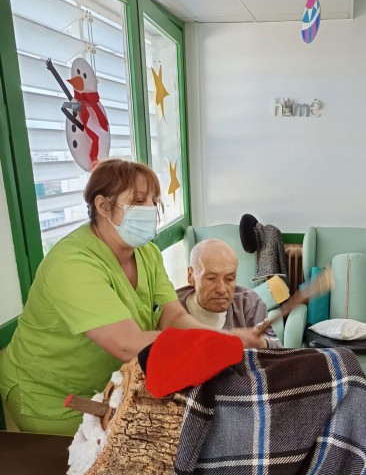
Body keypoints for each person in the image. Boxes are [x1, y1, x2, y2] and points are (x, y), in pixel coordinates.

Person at [0, 160, 265, 435]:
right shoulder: (72, 264)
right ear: (103, 206)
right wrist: (216, 343)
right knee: (93, 456)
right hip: (51, 395)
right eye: (139, 201)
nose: (150, 209)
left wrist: (221, 338)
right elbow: (127, 344)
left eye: (154, 200)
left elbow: (173, 315)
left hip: (110, 387)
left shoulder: (146, 253)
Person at [177, 239, 282, 348]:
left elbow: (278, 349)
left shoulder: (249, 304)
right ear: (191, 276)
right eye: (211, 278)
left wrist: (262, 343)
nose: (222, 289)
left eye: (230, 279)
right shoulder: (172, 309)